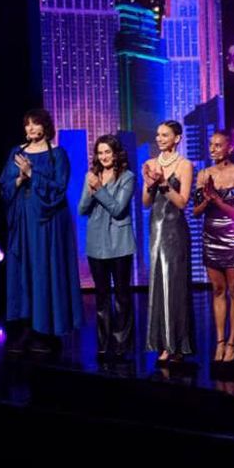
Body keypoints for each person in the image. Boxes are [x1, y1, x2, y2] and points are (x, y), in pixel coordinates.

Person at [0, 108, 83, 353]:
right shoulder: (16, 152)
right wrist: (19, 178)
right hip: (23, 219)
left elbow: (59, 188)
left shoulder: (57, 154)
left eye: (35, 123)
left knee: (44, 270)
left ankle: (45, 332)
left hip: (48, 221)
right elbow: (4, 185)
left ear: (45, 126)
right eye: (27, 124)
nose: (30, 128)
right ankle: (26, 328)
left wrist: (32, 173)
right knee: (23, 270)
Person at [191, 131, 234, 364]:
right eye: (211, 145)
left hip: (232, 235)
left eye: (218, 145)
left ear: (229, 148)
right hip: (210, 235)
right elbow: (195, 212)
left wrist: (216, 198)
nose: (213, 149)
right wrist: (206, 198)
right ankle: (220, 342)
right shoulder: (204, 174)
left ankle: (233, 342)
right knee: (217, 289)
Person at [142, 120, 195, 364]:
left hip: (175, 231)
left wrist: (164, 184)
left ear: (177, 138)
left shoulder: (185, 165)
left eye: (165, 135)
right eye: (158, 134)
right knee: (158, 284)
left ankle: (176, 345)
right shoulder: (151, 164)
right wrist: (150, 185)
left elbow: (183, 202)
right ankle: (162, 343)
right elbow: (145, 203)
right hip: (156, 229)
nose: (160, 138)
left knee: (174, 285)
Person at [78, 134, 135, 361]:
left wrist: (99, 188)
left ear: (116, 153)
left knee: (122, 295)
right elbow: (82, 209)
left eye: (107, 152)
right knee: (101, 297)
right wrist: (90, 188)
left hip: (120, 243)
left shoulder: (127, 177)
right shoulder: (92, 176)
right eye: (100, 153)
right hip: (96, 243)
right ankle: (103, 344)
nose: (103, 157)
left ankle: (122, 344)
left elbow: (118, 209)